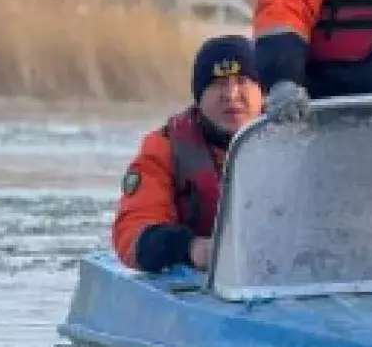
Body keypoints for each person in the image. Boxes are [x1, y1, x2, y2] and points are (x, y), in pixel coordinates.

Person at [112, 35, 263, 273]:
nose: (231, 94)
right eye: (218, 83)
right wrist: (190, 248)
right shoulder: (163, 150)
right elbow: (132, 234)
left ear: (262, 91)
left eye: (242, 80)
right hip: (202, 282)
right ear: (199, 97)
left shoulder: (296, 142)